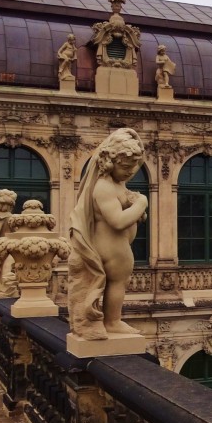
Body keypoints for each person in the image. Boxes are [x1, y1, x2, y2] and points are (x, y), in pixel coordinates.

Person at [67, 128, 148, 340]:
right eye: (125, 167)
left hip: (115, 245)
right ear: (109, 162)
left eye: (133, 168)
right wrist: (141, 203)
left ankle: (111, 321)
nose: (130, 172)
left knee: (118, 282)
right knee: (117, 282)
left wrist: (136, 211)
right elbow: (118, 221)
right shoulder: (104, 187)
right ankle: (112, 321)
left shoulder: (116, 183)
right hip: (111, 247)